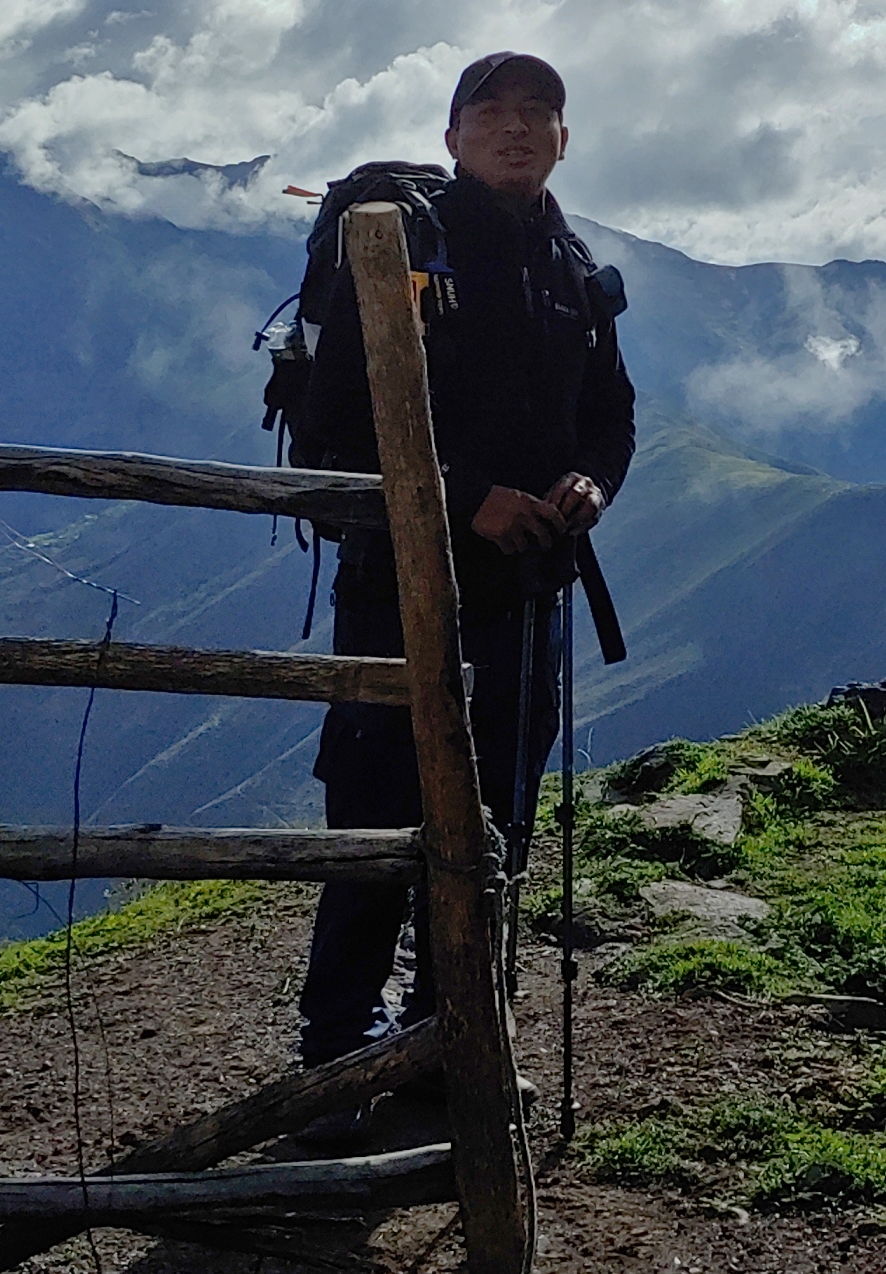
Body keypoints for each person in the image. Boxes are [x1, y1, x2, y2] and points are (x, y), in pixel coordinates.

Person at [285, 51, 635, 1066]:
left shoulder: (572, 267)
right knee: (375, 818)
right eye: (491, 112)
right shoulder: (405, 246)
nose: (516, 127)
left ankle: (454, 1044)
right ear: (451, 138)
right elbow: (335, 429)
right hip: (396, 588)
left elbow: (611, 414)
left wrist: (591, 483)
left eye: (539, 111)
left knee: (499, 827)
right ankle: (337, 1058)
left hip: (527, 596)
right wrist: (466, 498)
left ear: (564, 138)